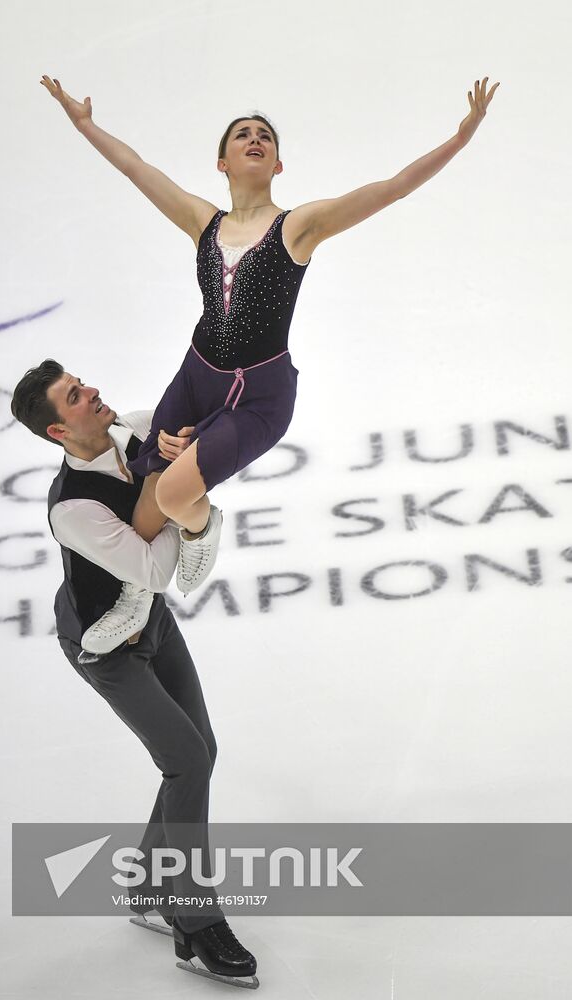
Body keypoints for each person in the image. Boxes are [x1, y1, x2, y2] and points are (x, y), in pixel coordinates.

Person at [40, 73, 499, 654]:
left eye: (264, 136)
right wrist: (85, 125)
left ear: (278, 164)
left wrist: (461, 136)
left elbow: (391, 188)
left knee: (177, 496)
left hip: (260, 396)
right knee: (148, 489)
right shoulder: (203, 223)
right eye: (241, 136)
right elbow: (137, 170)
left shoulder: (297, 228)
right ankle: (138, 593)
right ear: (222, 162)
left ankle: (204, 529)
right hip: (197, 375)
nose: (254, 139)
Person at [10, 360, 260, 989]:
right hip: (105, 644)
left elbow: (200, 431)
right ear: (58, 433)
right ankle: (195, 921)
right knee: (187, 762)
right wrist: (184, 506)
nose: (92, 391)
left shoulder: (138, 430)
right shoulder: (73, 508)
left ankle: (149, 886)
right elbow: (152, 571)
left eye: (81, 381)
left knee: (199, 751)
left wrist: (185, 450)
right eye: (74, 396)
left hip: (149, 623)